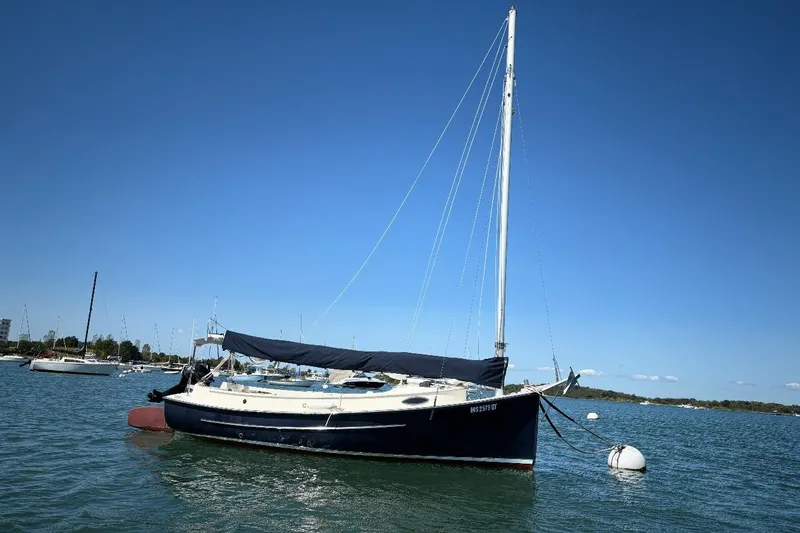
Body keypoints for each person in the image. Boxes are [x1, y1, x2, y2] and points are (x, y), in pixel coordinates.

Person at [147, 362, 212, 403]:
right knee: (180, 386)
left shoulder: (200, 373)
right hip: (193, 375)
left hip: (198, 377)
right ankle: (161, 395)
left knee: (181, 387)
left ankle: (160, 397)